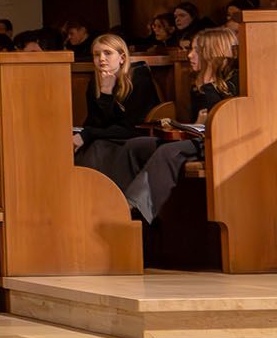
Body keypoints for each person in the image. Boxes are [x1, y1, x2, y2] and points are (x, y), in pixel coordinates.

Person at [120, 26, 237, 222]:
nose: (189, 55)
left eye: (197, 51)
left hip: (219, 143)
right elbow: (199, 120)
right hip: (198, 137)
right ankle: (120, 196)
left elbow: (221, 122)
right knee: (135, 145)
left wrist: (208, 85)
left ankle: (140, 210)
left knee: (168, 153)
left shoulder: (233, 81)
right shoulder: (199, 83)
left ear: (213, 54)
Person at [72, 34, 157, 191]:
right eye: (97, 55)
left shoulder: (138, 79)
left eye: (107, 53)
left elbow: (130, 127)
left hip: (134, 135)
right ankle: (82, 199)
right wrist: (105, 91)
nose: (101, 59)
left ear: (122, 58)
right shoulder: (95, 83)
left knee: (97, 147)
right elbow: (95, 123)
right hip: (109, 136)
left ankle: (108, 199)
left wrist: (88, 134)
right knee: (80, 147)